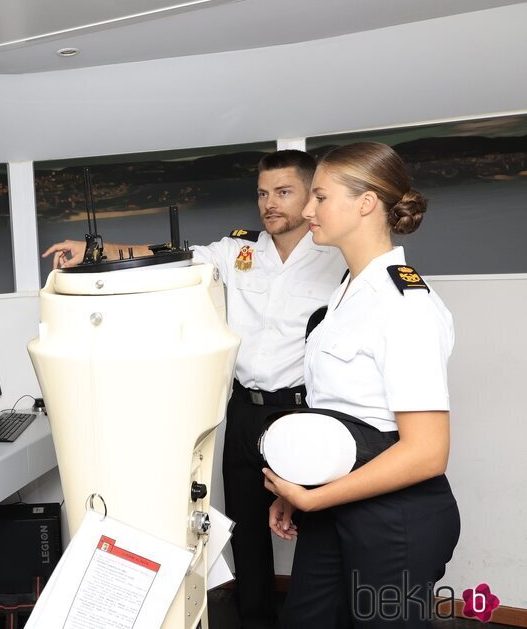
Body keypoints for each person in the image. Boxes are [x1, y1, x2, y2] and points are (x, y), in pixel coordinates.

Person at [43, 150, 347, 628]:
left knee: (319, 531)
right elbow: (171, 255)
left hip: (304, 412)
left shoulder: (337, 258)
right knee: (247, 531)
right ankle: (256, 620)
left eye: (284, 192)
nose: (270, 203)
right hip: (245, 410)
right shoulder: (241, 249)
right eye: (263, 193)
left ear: (312, 196)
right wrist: (94, 253)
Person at [263, 142, 461, 628]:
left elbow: (427, 452)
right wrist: (300, 488)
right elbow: (339, 414)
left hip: (395, 519)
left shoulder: (403, 303)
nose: (307, 210)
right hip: (336, 501)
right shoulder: (346, 295)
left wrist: (314, 498)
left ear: (366, 203)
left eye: (321, 198)